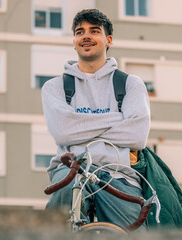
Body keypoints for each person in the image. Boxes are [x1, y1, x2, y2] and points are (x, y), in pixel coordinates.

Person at [41, 9, 151, 230]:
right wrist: (118, 119)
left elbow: (137, 136)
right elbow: (63, 132)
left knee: (135, 228)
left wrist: (78, 125)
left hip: (119, 174)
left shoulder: (131, 84)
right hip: (71, 169)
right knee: (54, 225)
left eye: (94, 31)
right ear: (74, 41)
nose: (86, 36)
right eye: (80, 32)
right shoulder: (54, 88)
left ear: (108, 40)